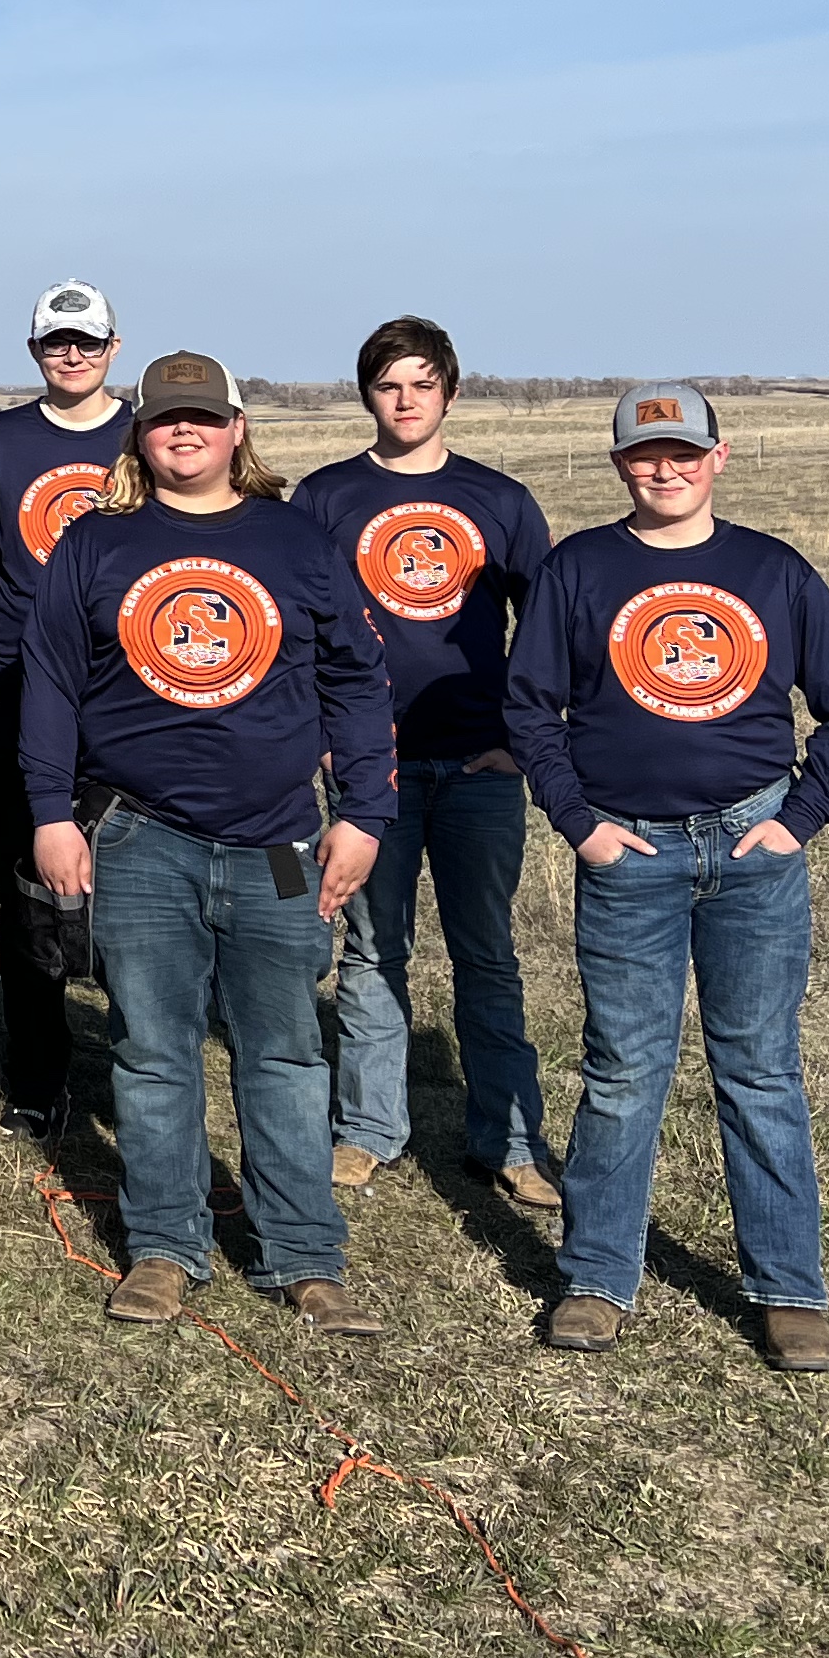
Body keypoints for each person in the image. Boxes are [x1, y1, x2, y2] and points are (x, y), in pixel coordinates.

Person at [508, 383, 829, 1373]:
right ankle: (595, 1280)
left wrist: (798, 820)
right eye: (643, 455)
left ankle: (790, 1292)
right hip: (626, 854)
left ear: (720, 456)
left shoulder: (773, 570)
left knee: (759, 1071)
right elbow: (529, 708)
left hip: (751, 850)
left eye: (681, 452)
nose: (662, 469)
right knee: (624, 1073)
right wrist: (579, 824)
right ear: (618, 463)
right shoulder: (579, 569)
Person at [21, 352, 393, 1338]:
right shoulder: (95, 546)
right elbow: (51, 684)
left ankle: (305, 1255)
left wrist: (362, 812)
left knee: (284, 1051)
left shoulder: (297, 541)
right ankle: (164, 1248)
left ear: (237, 430)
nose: (182, 433)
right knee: (152, 1052)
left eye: (202, 417)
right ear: (139, 435)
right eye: (162, 419)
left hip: (277, 841)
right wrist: (51, 814)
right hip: (141, 837)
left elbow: (357, 682)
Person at [295, 316, 556, 1212]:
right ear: (366, 394)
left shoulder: (501, 500)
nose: (404, 401)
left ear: (449, 390)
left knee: (488, 954)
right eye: (386, 385)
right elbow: (294, 628)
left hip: (480, 765)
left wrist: (521, 739)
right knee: (373, 951)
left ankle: (512, 1143)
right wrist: (326, 738)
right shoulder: (325, 499)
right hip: (374, 774)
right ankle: (367, 1131)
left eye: (420, 383)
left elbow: (551, 631)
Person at [0, 280, 131, 1140]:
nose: (72, 356)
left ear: (114, 348)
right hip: (23, 693)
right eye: (57, 343)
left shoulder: (145, 433)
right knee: (25, 888)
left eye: (87, 344)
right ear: (34, 352)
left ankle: (140, 1073)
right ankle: (39, 1076)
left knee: (136, 890)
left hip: (133, 697)